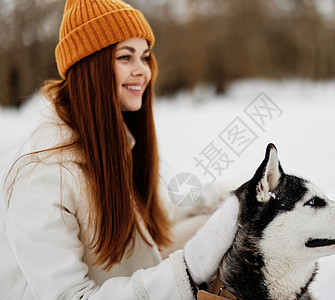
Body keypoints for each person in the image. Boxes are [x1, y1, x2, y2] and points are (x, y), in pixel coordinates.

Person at [0, 0, 239, 299]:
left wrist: (231, 199)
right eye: (125, 57)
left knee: (221, 227)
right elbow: (68, 296)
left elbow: (149, 214)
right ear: (91, 67)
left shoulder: (107, 140)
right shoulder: (45, 174)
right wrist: (187, 272)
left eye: (145, 56)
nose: (143, 71)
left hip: (121, 277)